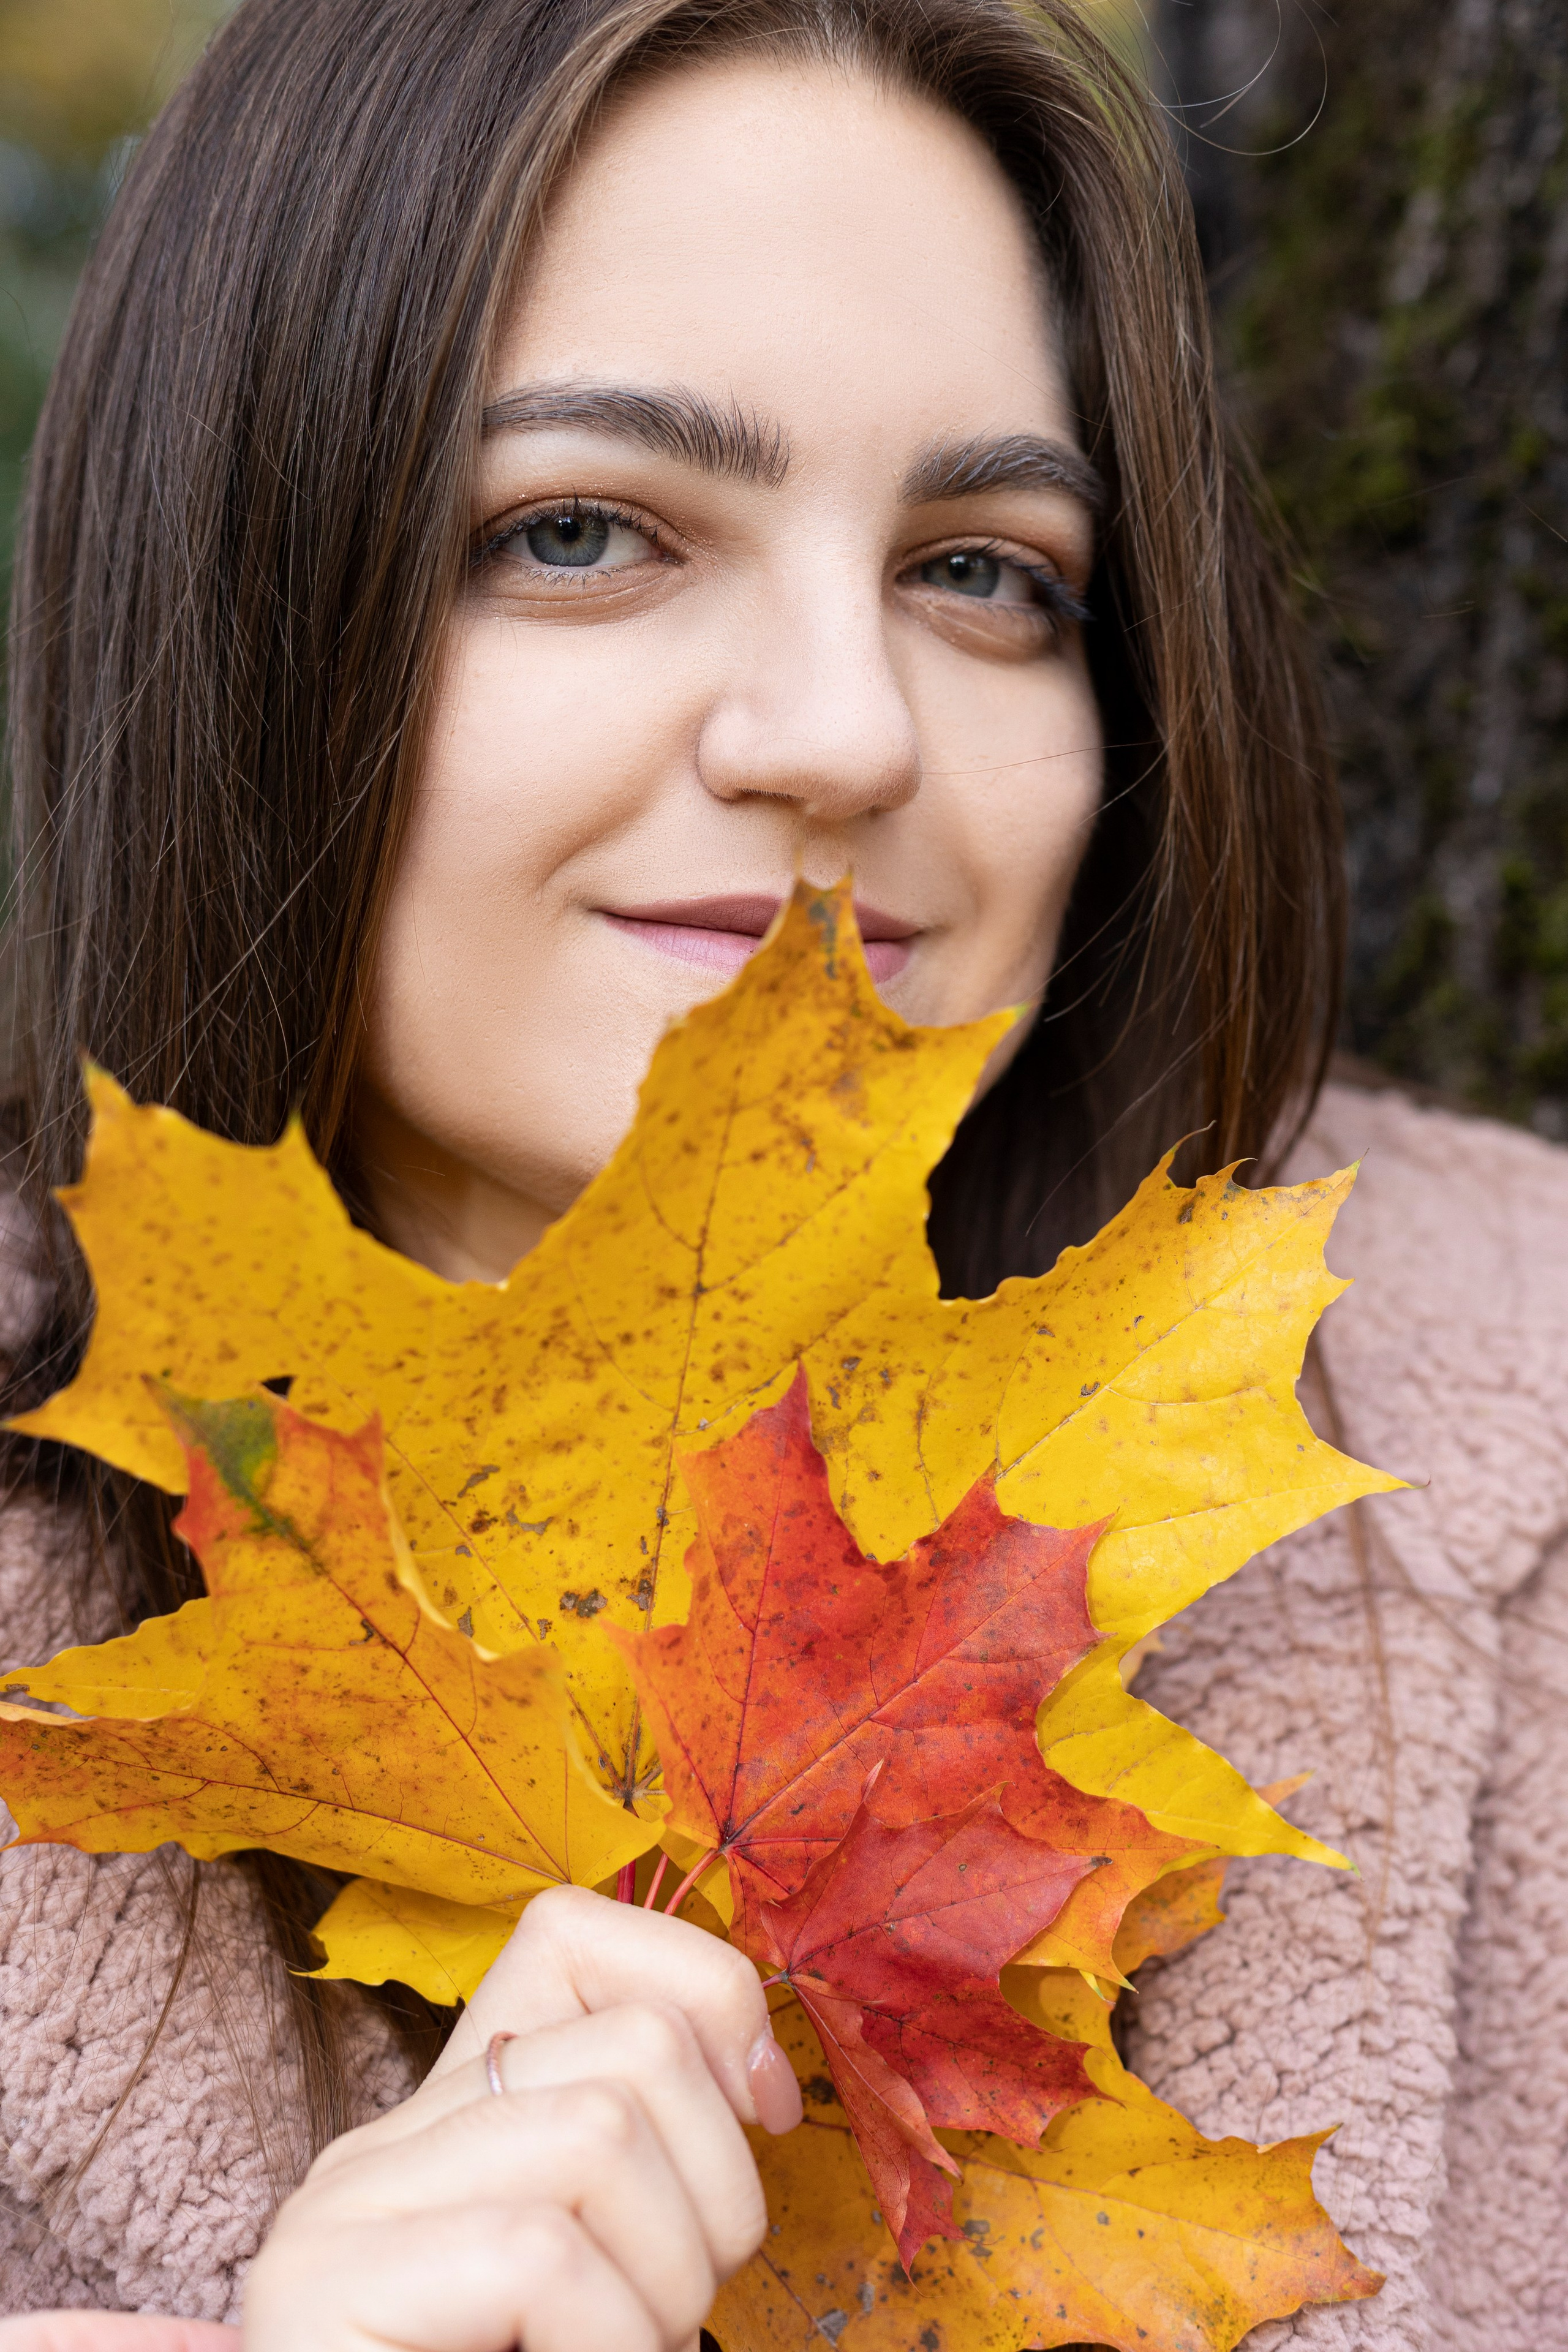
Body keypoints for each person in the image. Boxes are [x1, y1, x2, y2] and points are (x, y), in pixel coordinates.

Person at [1, 1, 1566, 2346]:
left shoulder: (1497, 1478)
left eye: (987, 570)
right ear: (239, 595)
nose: (845, 729)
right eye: (586, 531)